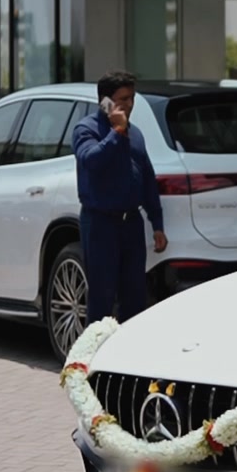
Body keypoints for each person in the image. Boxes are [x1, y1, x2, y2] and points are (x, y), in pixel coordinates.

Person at [72, 71, 167, 325]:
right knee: (102, 295)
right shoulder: (86, 129)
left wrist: (157, 223)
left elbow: (147, 178)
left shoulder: (136, 134)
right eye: (122, 99)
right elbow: (92, 161)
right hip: (100, 223)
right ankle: (95, 356)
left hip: (131, 224)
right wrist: (116, 131)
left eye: (131, 98)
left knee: (135, 294)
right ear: (105, 101)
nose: (128, 104)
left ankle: (128, 357)